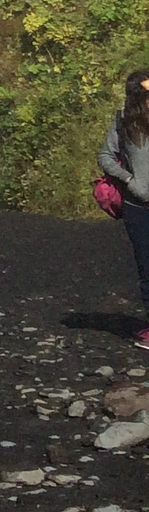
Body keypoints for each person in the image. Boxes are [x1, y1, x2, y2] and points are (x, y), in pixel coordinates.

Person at [95, 67, 149, 348]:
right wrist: (129, 179)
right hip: (139, 206)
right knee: (147, 269)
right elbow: (105, 156)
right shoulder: (124, 122)